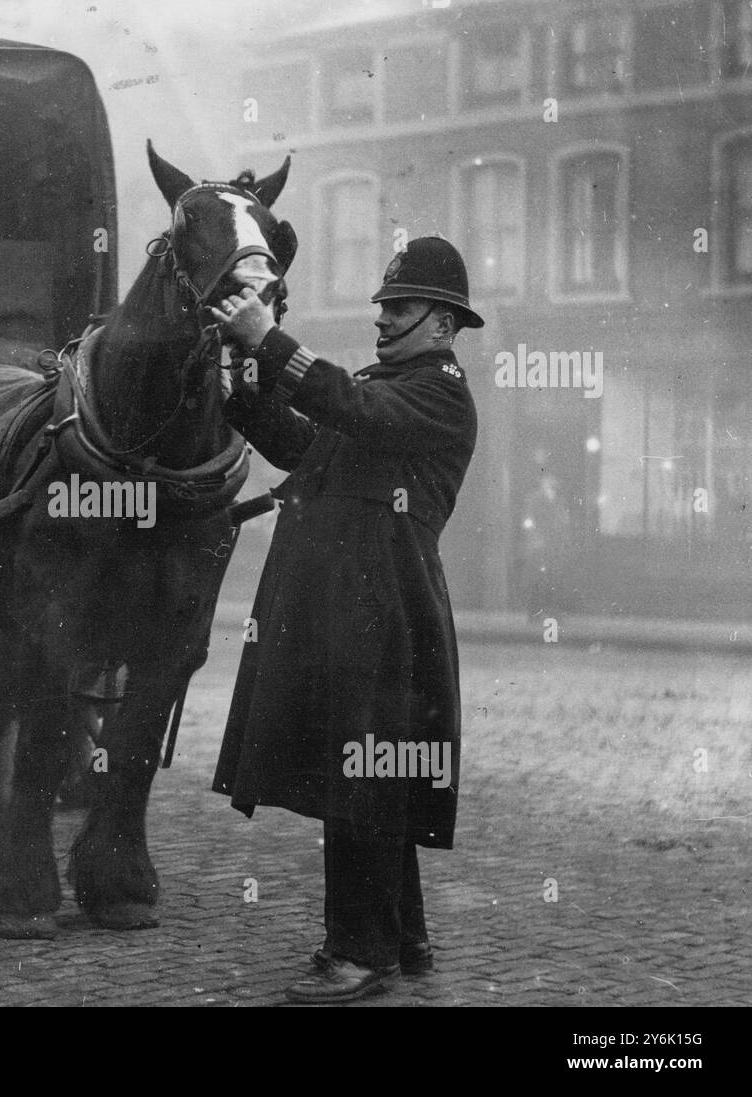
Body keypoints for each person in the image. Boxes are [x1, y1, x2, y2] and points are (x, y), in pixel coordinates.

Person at [210, 236, 480, 1004]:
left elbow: (352, 408)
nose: (384, 318)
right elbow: (309, 445)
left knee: (362, 768)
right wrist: (245, 383)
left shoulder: (438, 390)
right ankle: (402, 937)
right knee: (372, 769)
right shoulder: (389, 386)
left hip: (382, 607)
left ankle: (359, 954)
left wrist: (272, 341)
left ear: (444, 322)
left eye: (401, 307)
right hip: (355, 607)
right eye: (383, 305)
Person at [517, 471, 572, 622]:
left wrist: (563, 539)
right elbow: (528, 521)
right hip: (538, 546)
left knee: (554, 579)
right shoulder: (533, 499)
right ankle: (534, 612)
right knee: (536, 579)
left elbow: (563, 520)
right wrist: (535, 539)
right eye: (548, 480)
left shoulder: (559, 500)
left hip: (554, 545)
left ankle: (553, 611)